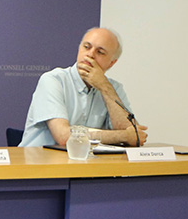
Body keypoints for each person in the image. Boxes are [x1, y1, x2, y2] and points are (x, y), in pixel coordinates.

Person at [19, 27, 147, 147]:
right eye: (86, 47)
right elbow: (64, 136)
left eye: (100, 52)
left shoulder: (113, 88)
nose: (90, 54)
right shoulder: (53, 80)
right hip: (39, 161)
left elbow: (134, 135)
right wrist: (122, 136)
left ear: (111, 63)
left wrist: (104, 87)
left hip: (85, 163)